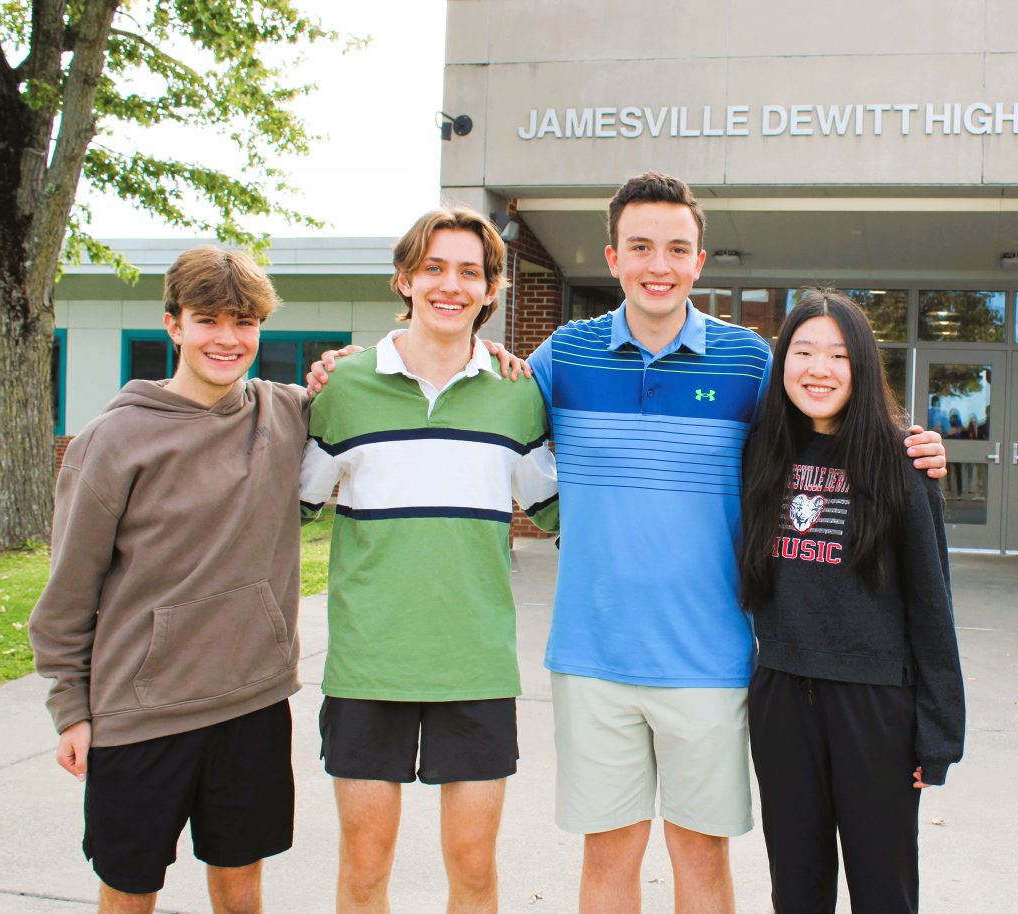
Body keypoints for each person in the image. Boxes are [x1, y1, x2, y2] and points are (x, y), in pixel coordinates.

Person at [306, 174, 946, 914]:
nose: (658, 264)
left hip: (710, 659)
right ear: (612, 257)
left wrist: (908, 443)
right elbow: (473, 379)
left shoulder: (749, 363)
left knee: (700, 854)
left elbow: (826, 416)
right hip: (593, 659)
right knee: (609, 855)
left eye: (676, 248)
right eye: (640, 247)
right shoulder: (557, 360)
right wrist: (346, 367)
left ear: (700, 261)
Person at [29, 247, 311, 914]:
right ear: (173, 325)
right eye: (208, 319)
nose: (228, 338)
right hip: (140, 713)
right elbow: (69, 590)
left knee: (241, 885)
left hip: (252, 701)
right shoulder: (114, 440)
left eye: (244, 322)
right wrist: (71, 707)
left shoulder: (288, 414)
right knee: (130, 889)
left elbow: (388, 384)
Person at [298, 207, 558, 914]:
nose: (452, 285)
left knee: (474, 872)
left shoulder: (516, 394)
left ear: (491, 289)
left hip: (473, 666)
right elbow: (291, 506)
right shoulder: (345, 389)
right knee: (364, 870)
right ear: (405, 280)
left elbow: (560, 514)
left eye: (469, 271)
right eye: (434, 268)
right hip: (367, 665)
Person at [738, 289, 964, 914]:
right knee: (796, 887)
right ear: (782, 362)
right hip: (783, 697)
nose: (819, 369)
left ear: (861, 366)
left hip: (876, 708)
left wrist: (938, 733)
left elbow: (931, 602)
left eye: (839, 355)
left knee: (882, 889)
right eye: (804, 351)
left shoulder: (902, 459)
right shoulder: (762, 452)